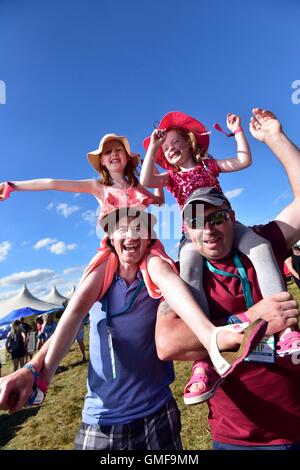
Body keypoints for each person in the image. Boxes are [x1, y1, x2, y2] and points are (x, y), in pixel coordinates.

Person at [0, 205, 267, 449]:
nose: (131, 235)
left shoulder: (157, 274)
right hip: (102, 419)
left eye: (140, 229)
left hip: (157, 411)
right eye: (122, 229)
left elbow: (178, 293)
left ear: (150, 238)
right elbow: (71, 321)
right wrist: (33, 370)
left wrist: (218, 331)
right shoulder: (99, 278)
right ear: (110, 238)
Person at [155, 108, 300, 449]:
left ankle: (291, 337)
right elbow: (167, 343)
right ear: (186, 229)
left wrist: (274, 138)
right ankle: (203, 366)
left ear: (232, 218)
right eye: (197, 221)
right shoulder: (183, 275)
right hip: (237, 435)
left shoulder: (261, 242)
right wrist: (253, 319)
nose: (209, 227)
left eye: (217, 216)